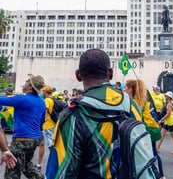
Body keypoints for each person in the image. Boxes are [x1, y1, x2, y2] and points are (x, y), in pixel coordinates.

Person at [45, 49, 142, 179]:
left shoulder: (72, 115)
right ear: (111, 73)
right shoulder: (131, 105)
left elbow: (61, 172)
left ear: (78, 75)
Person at [0, 74, 46, 179]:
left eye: (26, 81)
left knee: (12, 171)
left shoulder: (21, 99)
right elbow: (41, 122)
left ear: (30, 86)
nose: (24, 84)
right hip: (34, 140)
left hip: (21, 140)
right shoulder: (41, 102)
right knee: (26, 165)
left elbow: (2, 100)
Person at [123, 79, 165, 179]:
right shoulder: (143, 102)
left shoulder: (133, 103)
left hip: (144, 132)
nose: (123, 89)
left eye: (125, 87)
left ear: (130, 89)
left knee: (150, 155)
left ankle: (158, 175)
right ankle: (160, 175)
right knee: (152, 154)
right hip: (148, 131)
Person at [35, 85, 56, 171]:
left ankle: (57, 165)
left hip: (48, 126)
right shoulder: (54, 99)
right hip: (49, 126)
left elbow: (44, 111)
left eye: (43, 91)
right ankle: (38, 164)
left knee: (51, 147)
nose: (42, 92)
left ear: (46, 92)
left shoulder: (47, 100)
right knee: (42, 145)